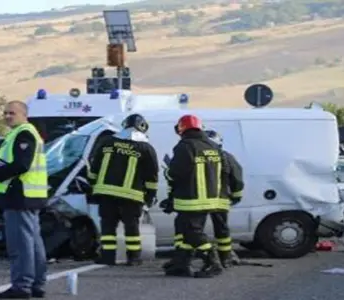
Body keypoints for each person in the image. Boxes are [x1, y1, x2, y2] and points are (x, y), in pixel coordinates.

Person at [0, 101, 48, 299]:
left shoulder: (24, 133)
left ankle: (22, 287)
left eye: (12, 113)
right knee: (33, 243)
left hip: (20, 196)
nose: (7, 116)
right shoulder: (24, 133)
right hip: (29, 196)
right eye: (5, 113)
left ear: (24, 114)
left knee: (20, 245)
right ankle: (36, 284)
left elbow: (22, 165)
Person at [87, 113, 158, 266]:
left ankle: (108, 257)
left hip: (106, 193)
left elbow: (94, 167)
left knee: (108, 227)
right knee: (131, 228)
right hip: (131, 196)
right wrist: (150, 196)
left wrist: (92, 187)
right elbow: (152, 176)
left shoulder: (107, 142)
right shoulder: (146, 148)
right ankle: (133, 258)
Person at [162, 115, 226, 278]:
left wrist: (166, 171)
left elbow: (175, 172)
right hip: (210, 198)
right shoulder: (212, 146)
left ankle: (213, 262)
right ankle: (181, 264)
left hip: (191, 199)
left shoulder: (185, 146)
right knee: (186, 233)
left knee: (192, 233)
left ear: (182, 129)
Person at [204, 129, 244, 268]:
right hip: (221, 199)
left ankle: (205, 257)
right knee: (222, 230)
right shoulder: (226, 157)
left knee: (196, 230)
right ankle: (225, 257)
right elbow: (237, 178)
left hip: (201, 199)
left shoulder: (199, 155)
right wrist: (236, 195)